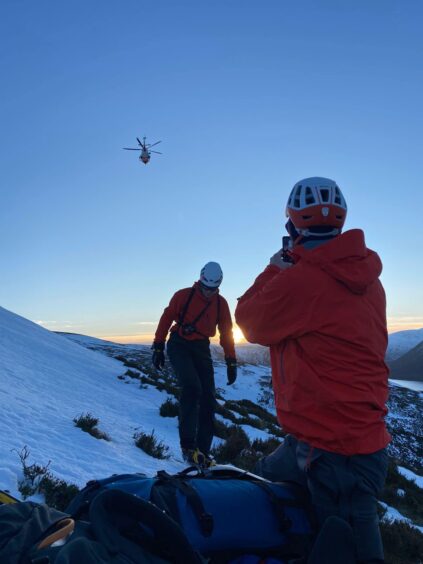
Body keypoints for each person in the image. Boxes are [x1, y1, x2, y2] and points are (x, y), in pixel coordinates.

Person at [235, 177, 390, 564]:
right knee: (265, 480)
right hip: (330, 441)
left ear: (292, 225)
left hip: (337, 451)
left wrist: (275, 269)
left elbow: (250, 322)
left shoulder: (303, 280)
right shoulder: (370, 281)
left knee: (347, 552)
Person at [152, 261, 237, 465]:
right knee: (192, 388)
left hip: (201, 348)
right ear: (200, 280)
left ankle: (203, 452)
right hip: (179, 345)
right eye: (206, 288)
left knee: (208, 398)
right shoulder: (183, 295)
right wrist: (158, 345)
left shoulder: (221, 303)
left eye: (213, 289)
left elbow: (226, 332)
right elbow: (167, 318)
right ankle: (188, 447)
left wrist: (231, 360)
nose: (209, 292)